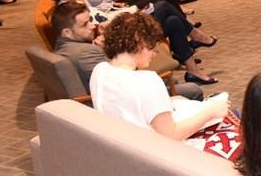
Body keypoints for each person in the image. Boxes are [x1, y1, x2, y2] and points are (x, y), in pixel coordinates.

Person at [70, 0, 220, 85]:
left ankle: (193, 70)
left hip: (117, 11)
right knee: (162, 5)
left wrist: (117, 5)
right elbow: (95, 16)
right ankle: (195, 35)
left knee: (172, 21)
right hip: (117, 25)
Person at [90, 12, 229, 141]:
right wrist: (211, 111)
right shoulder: (147, 80)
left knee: (179, 101)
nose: (155, 52)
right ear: (140, 43)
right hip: (150, 151)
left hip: (121, 145)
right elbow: (171, 135)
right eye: (152, 45)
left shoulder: (100, 71)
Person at [52, 1, 203, 100]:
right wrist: (106, 49)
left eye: (90, 20)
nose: (92, 26)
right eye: (85, 24)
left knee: (172, 80)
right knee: (193, 89)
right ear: (67, 32)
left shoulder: (63, 49)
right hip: (124, 102)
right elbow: (121, 83)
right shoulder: (86, 53)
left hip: (109, 97)